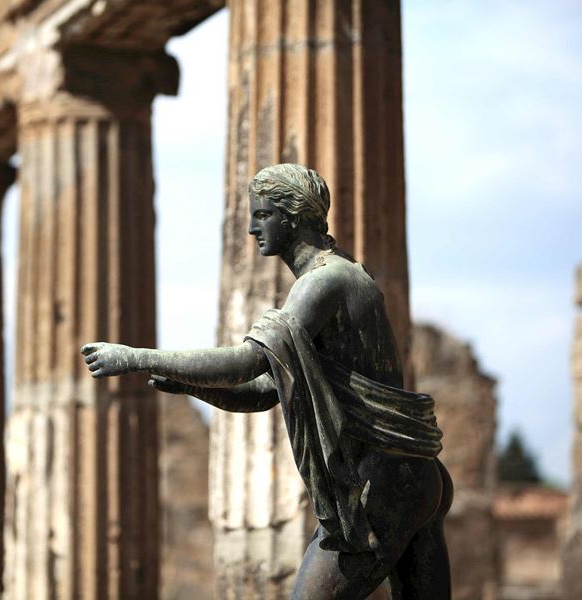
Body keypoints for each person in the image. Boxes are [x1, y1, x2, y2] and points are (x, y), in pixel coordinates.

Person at [81, 164, 452, 599]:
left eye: (262, 215)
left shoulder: (325, 282)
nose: (252, 228)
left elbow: (247, 363)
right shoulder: (343, 275)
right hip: (412, 474)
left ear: (293, 216)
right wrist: (192, 386)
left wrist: (136, 357)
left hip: (384, 482)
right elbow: (262, 393)